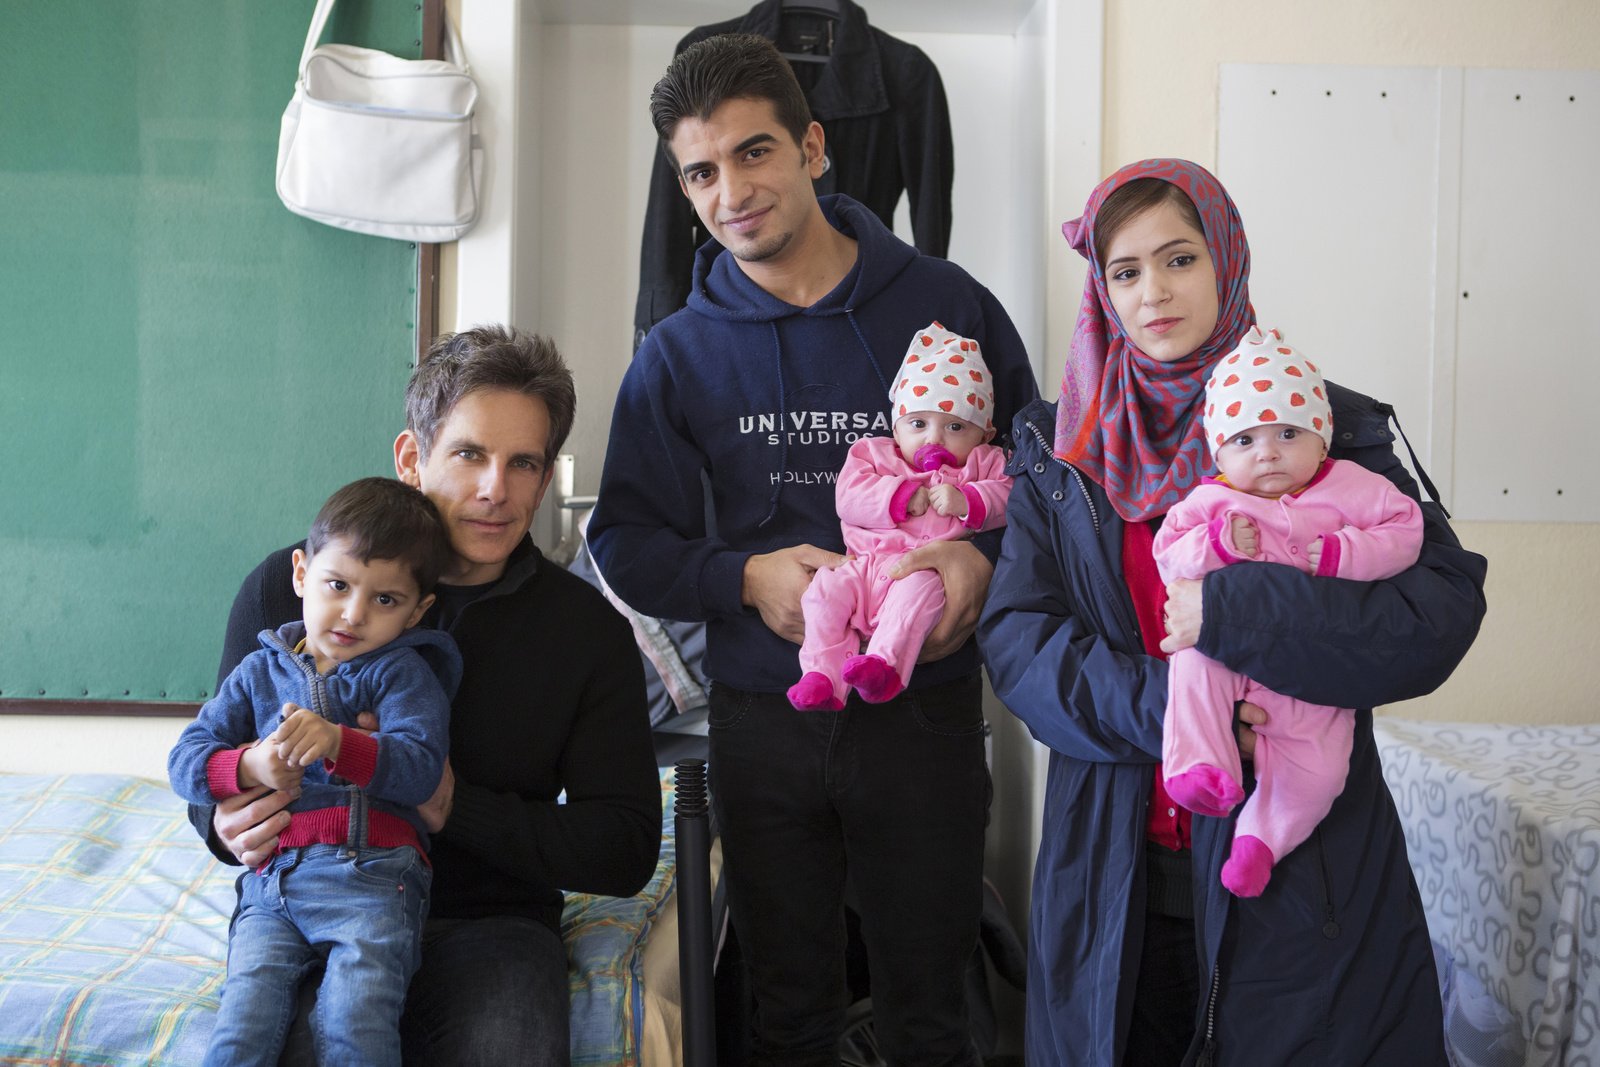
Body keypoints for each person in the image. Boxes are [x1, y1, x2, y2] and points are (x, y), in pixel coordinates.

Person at [587, 33, 1039, 1065]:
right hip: (764, 718)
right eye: (701, 171)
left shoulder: (948, 304)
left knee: (932, 1008)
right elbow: (624, 538)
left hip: (922, 712)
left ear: (814, 149)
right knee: (784, 1013)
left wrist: (979, 556)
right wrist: (740, 576)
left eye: (754, 153)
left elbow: (1050, 493)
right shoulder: (677, 352)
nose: (730, 189)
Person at [976, 158, 1486, 1066]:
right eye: (1124, 271)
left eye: (1178, 259)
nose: (1153, 293)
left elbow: (1435, 614)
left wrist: (1237, 618)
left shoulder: (1325, 424)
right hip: (1108, 870)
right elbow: (1019, 643)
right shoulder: (1059, 449)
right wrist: (1178, 711)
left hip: (1300, 877)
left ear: (1227, 260)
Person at [188, 326, 663, 1067]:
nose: (495, 490)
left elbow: (626, 846)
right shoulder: (292, 598)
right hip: (307, 901)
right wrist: (228, 823)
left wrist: (450, 804)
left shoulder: (586, 632)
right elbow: (207, 773)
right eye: (470, 453)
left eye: (524, 463)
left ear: (545, 479)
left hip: (490, 926)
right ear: (412, 457)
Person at [170, 477, 459, 1066]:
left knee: (355, 1022)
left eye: (385, 600)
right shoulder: (257, 672)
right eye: (338, 585)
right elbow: (185, 760)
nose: (353, 614)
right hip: (271, 883)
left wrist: (339, 743)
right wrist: (248, 764)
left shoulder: (404, 674)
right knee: (241, 1028)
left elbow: (422, 768)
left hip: (376, 878)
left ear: (417, 610)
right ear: (301, 573)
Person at [1152, 328, 1424, 897]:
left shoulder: (1353, 487)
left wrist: (1345, 554)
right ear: (1219, 452)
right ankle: (1203, 769)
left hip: (1309, 671)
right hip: (1221, 650)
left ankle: (1262, 842)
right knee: (1191, 673)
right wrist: (1218, 547)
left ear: (1322, 440)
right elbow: (1169, 555)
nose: (1267, 451)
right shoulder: (1210, 502)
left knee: (1324, 767)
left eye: (1287, 433)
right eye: (1244, 439)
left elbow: (1406, 529)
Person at [789, 322, 1013, 711]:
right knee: (823, 595)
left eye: (956, 426)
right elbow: (849, 498)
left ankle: (884, 667)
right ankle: (821, 676)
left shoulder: (986, 463)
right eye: (918, 424)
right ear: (896, 426)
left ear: (986, 433)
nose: (933, 439)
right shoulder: (873, 455)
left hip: (923, 573)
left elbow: (1013, 501)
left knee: (915, 601)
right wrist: (900, 495)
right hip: (862, 566)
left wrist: (970, 500)